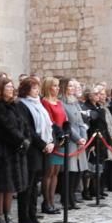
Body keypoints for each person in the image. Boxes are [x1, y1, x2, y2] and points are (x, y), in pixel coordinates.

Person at [0, 75, 28, 223]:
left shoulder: (14, 105)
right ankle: (0, 218)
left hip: (13, 150)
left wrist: (25, 138)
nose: (11, 89)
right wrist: (20, 139)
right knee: (1, 187)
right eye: (7, 87)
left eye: (12, 86)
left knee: (10, 187)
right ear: (1, 89)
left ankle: (9, 217)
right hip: (0, 150)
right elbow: (6, 127)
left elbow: (22, 124)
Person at [17, 77, 53, 223]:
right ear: (26, 90)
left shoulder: (39, 104)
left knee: (35, 184)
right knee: (28, 184)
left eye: (37, 87)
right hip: (32, 149)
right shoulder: (22, 105)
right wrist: (43, 144)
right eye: (33, 88)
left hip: (43, 148)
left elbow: (48, 124)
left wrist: (51, 142)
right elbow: (29, 129)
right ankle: (24, 216)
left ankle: (33, 213)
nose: (37, 90)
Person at [59, 77, 89, 208]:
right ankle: (66, 198)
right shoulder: (62, 103)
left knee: (78, 171)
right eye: (69, 86)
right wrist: (77, 138)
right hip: (71, 140)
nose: (72, 88)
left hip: (80, 141)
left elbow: (81, 122)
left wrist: (84, 138)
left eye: (73, 86)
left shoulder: (75, 102)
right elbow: (67, 124)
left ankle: (73, 196)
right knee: (70, 171)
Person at [40, 76, 67, 212]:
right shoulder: (45, 102)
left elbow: (64, 119)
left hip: (61, 140)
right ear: (48, 87)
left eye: (58, 86)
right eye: (54, 86)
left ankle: (52, 201)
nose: (57, 88)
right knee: (48, 172)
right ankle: (46, 202)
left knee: (56, 172)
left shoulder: (59, 102)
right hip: (52, 139)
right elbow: (50, 121)